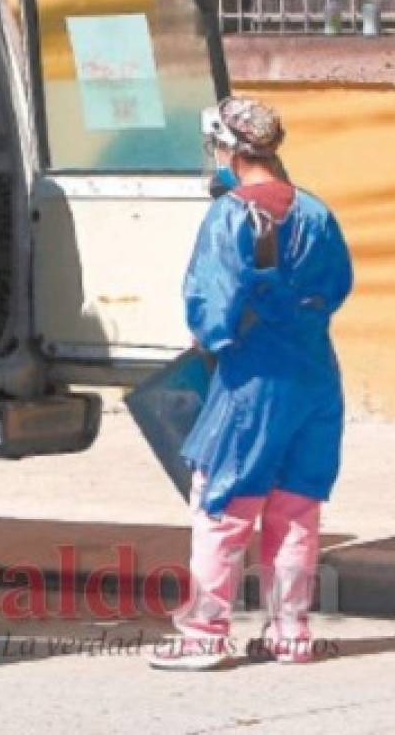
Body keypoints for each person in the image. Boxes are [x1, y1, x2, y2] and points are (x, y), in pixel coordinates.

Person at [150, 97, 353, 671]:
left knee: (221, 505)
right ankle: (290, 634)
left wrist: (215, 340)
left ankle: (204, 636)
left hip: (252, 382)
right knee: (296, 509)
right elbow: (337, 286)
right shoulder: (316, 211)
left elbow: (210, 309)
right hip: (316, 375)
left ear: (229, 150)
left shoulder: (230, 214)